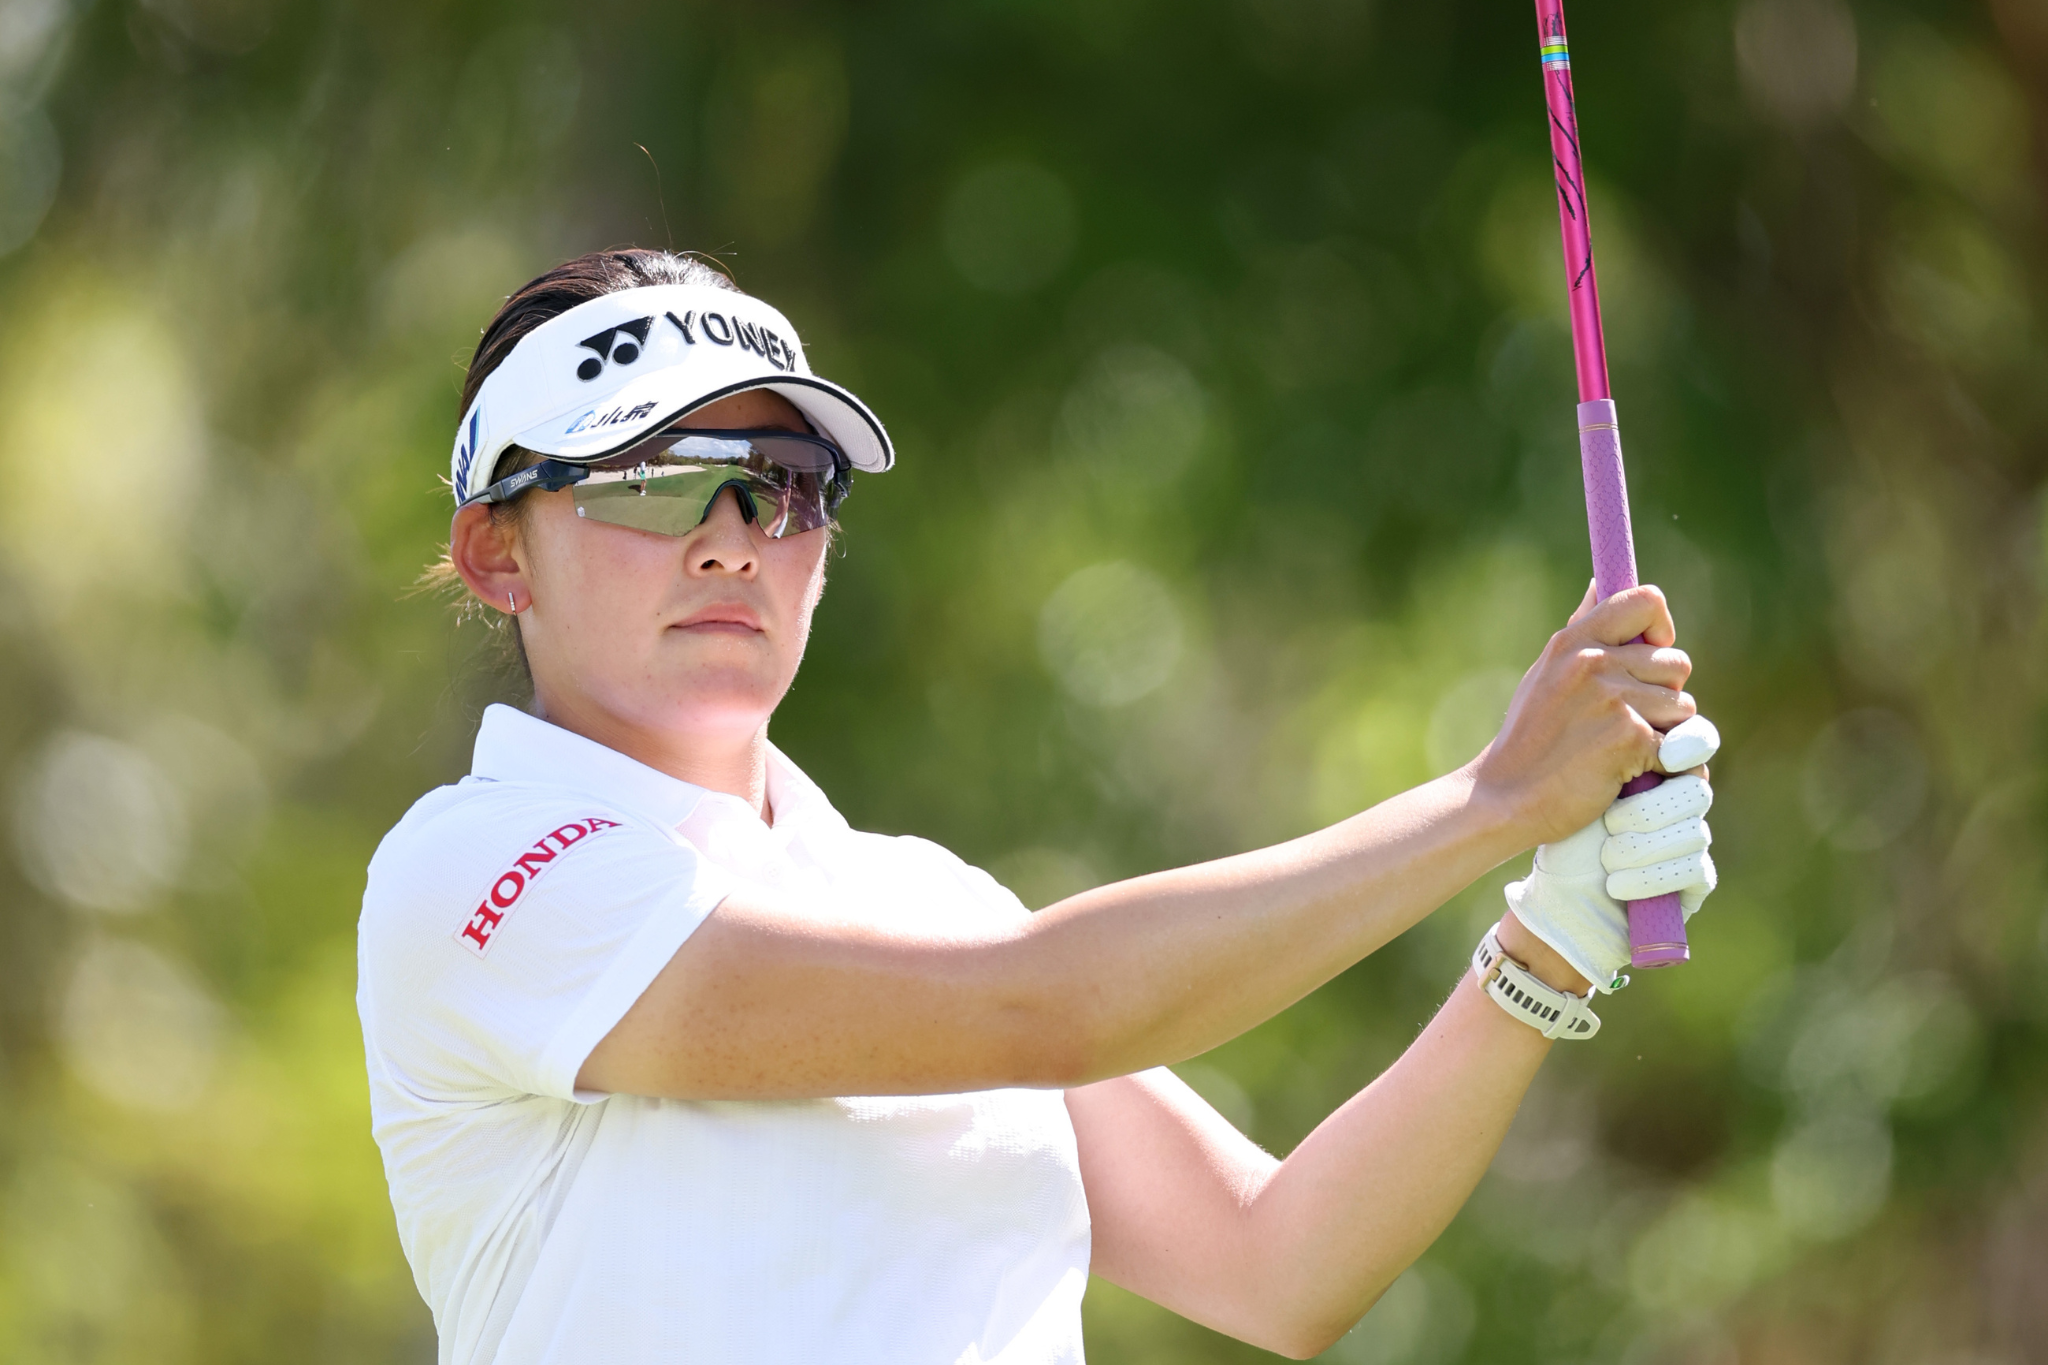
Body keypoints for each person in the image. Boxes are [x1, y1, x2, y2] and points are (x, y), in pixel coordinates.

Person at [356, 248, 1719, 1365]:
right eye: (646, 482)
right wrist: (1490, 801)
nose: (728, 537)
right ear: (497, 552)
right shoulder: (478, 879)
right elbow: (1049, 1006)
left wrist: (1549, 942)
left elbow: (1276, 1262)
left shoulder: (924, 900)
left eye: (780, 488)